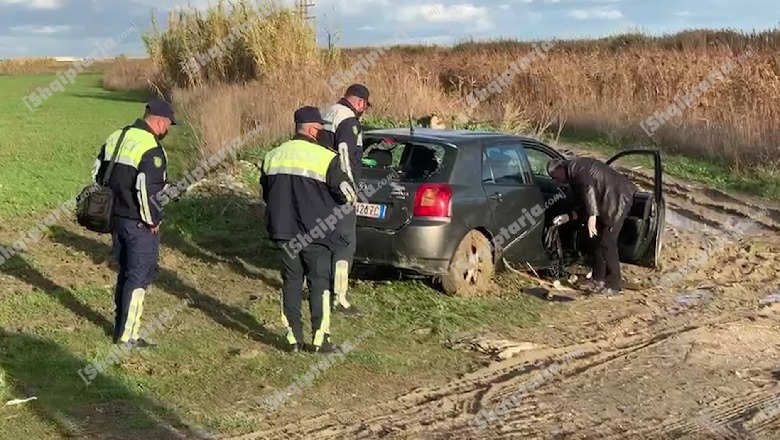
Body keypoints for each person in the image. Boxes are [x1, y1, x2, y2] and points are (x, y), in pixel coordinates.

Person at [260, 106, 356, 353]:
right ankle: (319, 340)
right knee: (319, 283)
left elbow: (266, 194)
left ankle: (293, 339)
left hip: (283, 231)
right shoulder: (326, 158)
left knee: (291, 281)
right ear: (314, 129)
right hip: (317, 233)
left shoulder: (273, 155)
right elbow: (347, 194)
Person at [93, 99, 175, 347]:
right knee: (139, 278)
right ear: (161, 121)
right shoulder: (151, 147)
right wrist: (153, 221)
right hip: (139, 223)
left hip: (115, 218)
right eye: (169, 125)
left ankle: (120, 327)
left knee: (125, 274)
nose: (167, 130)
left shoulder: (117, 136)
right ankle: (128, 336)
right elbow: (146, 189)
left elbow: (97, 173)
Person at [547, 157, 637, 296]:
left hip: (618, 199)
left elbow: (589, 190)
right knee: (596, 240)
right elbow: (584, 202)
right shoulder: (574, 177)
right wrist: (568, 217)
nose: (555, 181)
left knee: (607, 242)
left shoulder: (576, 168)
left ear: (558, 169)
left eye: (554, 177)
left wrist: (592, 217)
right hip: (605, 202)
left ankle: (614, 284)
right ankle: (598, 279)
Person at [320, 84, 371, 315]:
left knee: (322, 241)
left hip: (320, 186)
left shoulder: (327, 112)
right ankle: (339, 298)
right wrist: (350, 191)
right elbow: (345, 156)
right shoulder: (349, 119)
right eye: (365, 106)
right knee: (344, 243)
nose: (364, 110)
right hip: (339, 190)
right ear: (360, 102)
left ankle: (317, 287)